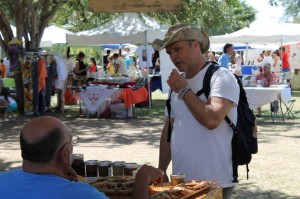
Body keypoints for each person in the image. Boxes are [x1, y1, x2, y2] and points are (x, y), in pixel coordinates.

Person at [152, 24, 239, 199]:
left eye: (177, 49)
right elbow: (170, 128)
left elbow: (212, 120)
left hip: (214, 183)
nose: (173, 56)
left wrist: (184, 91)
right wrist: (161, 169)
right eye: (169, 53)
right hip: (181, 182)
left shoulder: (221, 77)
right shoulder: (178, 83)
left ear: (196, 45)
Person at [0, 116, 163, 199]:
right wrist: (142, 178)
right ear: (65, 154)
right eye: (71, 142)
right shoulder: (78, 194)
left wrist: (60, 170)